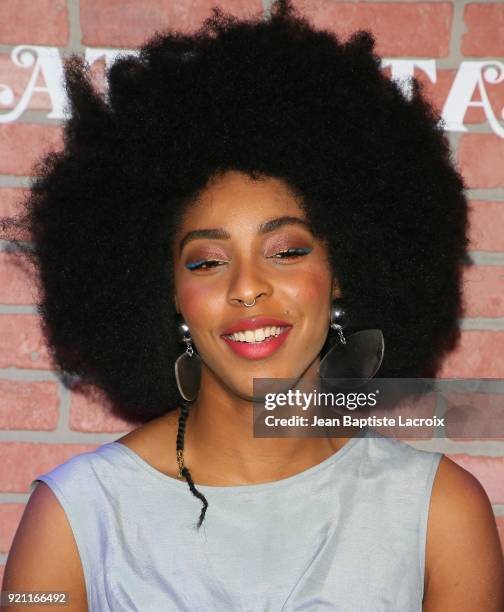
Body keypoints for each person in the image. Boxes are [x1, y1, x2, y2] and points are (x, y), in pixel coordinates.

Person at [2, 1, 503, 610]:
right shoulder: (77, 518)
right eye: (207, 261)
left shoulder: (439, 515)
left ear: (344, 269)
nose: (247, 286)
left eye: (286, 250)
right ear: (168, 294)